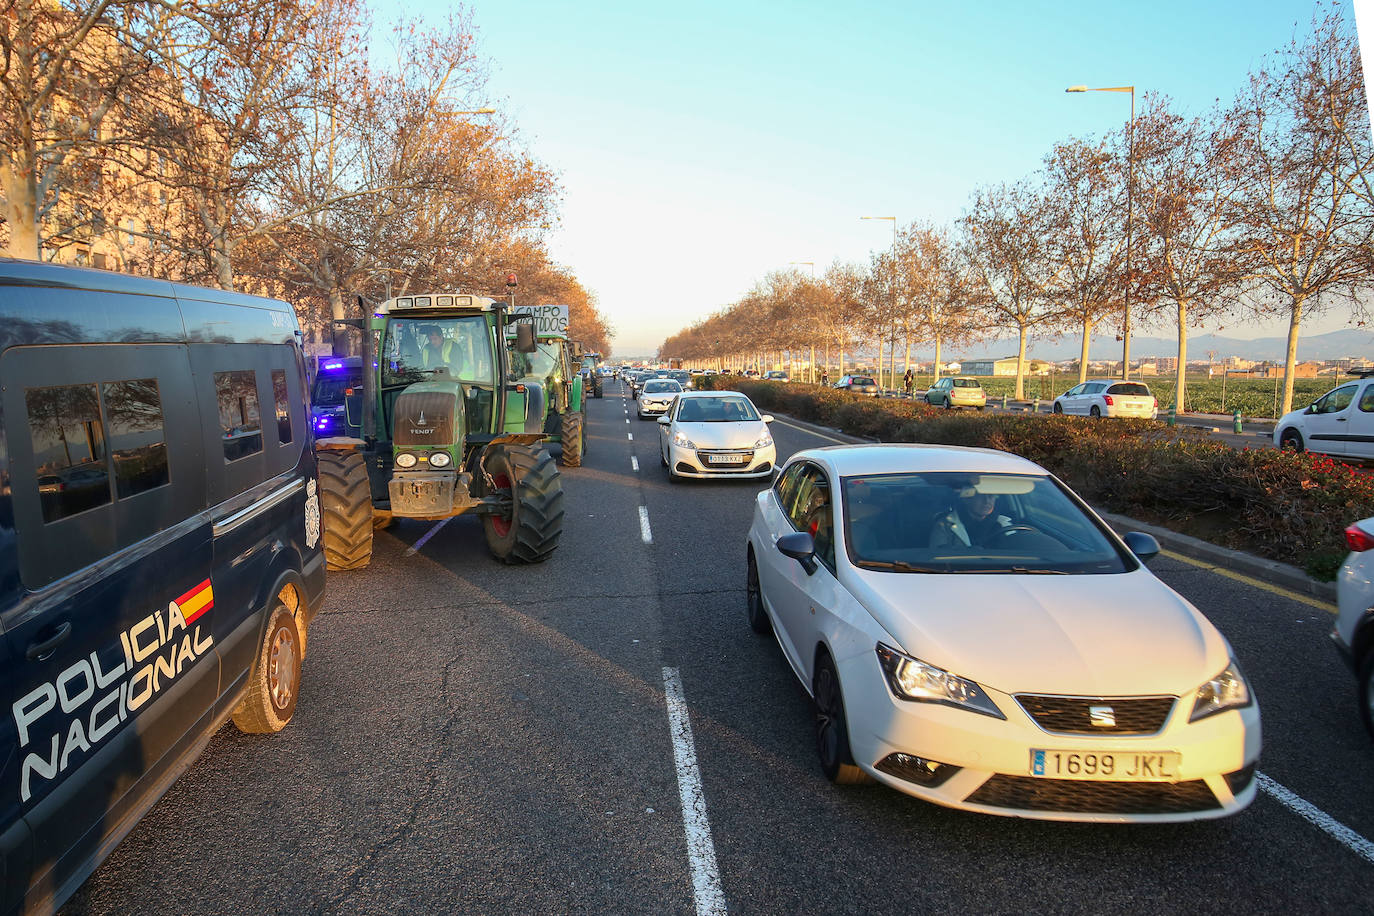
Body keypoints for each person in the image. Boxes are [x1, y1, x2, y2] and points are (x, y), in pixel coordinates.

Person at [929, 484, 1013, 548]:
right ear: (966, 499)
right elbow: (936, 558)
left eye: (991, 496)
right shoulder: (944, 525)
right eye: (981, 496)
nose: (987, 501)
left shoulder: (1005, 525)